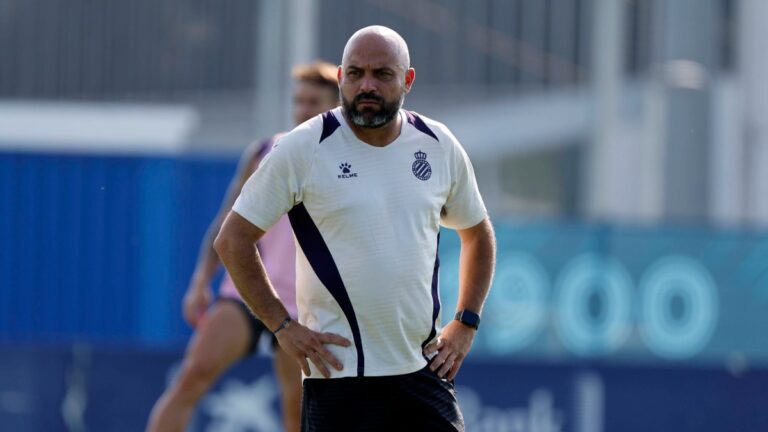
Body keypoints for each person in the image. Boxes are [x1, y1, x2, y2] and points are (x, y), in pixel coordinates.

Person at [215, 26, 496, 432]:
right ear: (340, 78)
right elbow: (232, 240)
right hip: (338, 380)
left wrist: (466, 322)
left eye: (382, 74)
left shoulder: (438, 143)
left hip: (422, 373)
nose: (366, 85)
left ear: (408, 80)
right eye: (355, 73)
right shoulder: (302, 147)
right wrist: (282, 326)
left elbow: (477, 233)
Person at [146, 61, 340, 432]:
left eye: (312, 101)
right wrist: (200, 281)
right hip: (248, 291)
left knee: (296, 411)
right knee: (191, 378)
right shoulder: (267, 150)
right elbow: (227, 221)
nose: (302, 109)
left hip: (305, 305)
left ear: (334, 107)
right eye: (298, 101)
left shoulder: (346, 161)